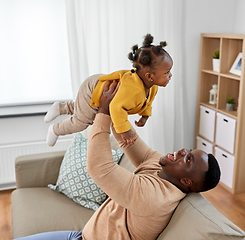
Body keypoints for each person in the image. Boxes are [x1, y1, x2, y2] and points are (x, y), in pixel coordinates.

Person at [15, 81, 221, 240]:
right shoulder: (160, 165)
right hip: (80, 236)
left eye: (188, 160)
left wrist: (103, 113)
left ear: (186, 182)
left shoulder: (154, 196)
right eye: (190, 151)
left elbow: (98, 168)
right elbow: (127, 140)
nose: (183, 151)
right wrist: (117, 107)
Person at [44, 33, 173, 147]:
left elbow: (148, 102)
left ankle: (60, 108)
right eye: (167, 72)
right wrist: (125, 130)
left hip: (98, 84)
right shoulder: (133, 90)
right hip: (93, 89)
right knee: (82, 121)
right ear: (149, 76)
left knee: (82, 108)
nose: (170, 75)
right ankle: (55, 129)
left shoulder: (152, 86)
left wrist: (145, 116)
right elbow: (116, 108)